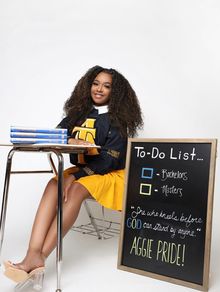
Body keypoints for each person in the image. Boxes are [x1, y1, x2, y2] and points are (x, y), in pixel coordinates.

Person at [3, 65, 143, 287]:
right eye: (95, 84)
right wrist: (70, 141)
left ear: (114, 92)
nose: (99, 89)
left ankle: (42, 257)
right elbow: (57, 135)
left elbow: (111, 160)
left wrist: (76, 175)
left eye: (106, 86)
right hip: (85, 172)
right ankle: (32, 253)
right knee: (53, 184)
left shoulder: (117, 119)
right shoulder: (78, 113)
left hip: (111, 174)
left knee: (74, 189)